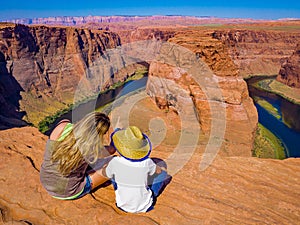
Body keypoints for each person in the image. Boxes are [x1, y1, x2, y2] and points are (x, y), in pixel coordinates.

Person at [40, 112, 115, 200]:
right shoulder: (92, 149)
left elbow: (65, 121)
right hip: (68, 191)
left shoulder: (61, 128)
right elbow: (112, 150)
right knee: (115, 163)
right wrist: (114, 136)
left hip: (46, 182)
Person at [101, 126, 170, 213]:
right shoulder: (147, 162)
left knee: (114, 174)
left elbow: (105, 173)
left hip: (122, 205)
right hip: (145, 206)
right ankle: (149, 193)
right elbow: (159, 171)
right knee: (163, 174)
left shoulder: (115, 161)